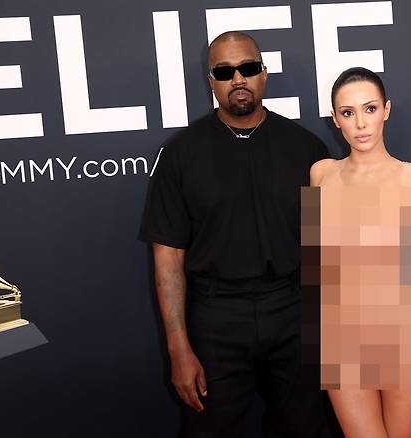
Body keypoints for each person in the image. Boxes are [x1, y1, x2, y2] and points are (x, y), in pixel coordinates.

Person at [139, 31, 330, 437]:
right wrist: (178, 347)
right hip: (216, 319)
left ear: (264, 73)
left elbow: (329, 250)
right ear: (211, 81)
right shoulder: (180, 154)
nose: (238, 79)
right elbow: (168, 256)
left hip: (293, 313)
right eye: (225, 72)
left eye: (247, 68)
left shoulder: (307, 149)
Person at [307, 67, 411, 438]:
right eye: (348, 112)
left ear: (386, 110)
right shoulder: (321, 175)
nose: (360, 123)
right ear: (335, 119)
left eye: (369, 109)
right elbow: (319, 266)